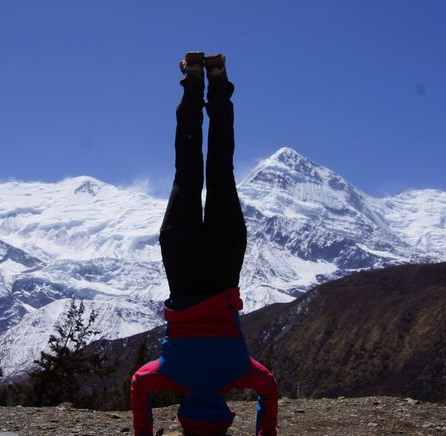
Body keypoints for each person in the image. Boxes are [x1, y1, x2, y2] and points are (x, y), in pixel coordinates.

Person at [130, 52, 279, 436]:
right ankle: (194, 79)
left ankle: (217, 77)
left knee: (220, 166)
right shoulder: (168, 375)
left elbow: (269, 388)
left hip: (225, 263)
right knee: (188, 167)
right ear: (183, 415)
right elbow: (138, 385)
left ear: (225, 416)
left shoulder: (238, 373)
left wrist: (267, 434)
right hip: (181, 266)